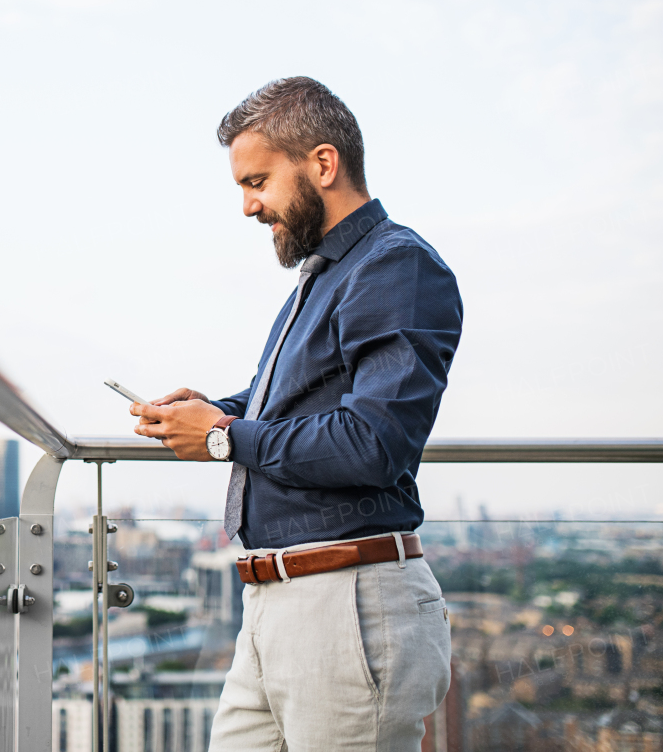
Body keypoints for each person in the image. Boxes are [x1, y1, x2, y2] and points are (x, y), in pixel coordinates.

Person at [132, 76, 462, 750]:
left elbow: (373, 442)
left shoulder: (398, 267)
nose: (250, 206)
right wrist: (210, 410)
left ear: (322, 163)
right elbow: (282, 406)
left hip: (350, 604)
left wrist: (223, 437)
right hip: (276, 604)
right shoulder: (325, 275)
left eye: (257, 181)